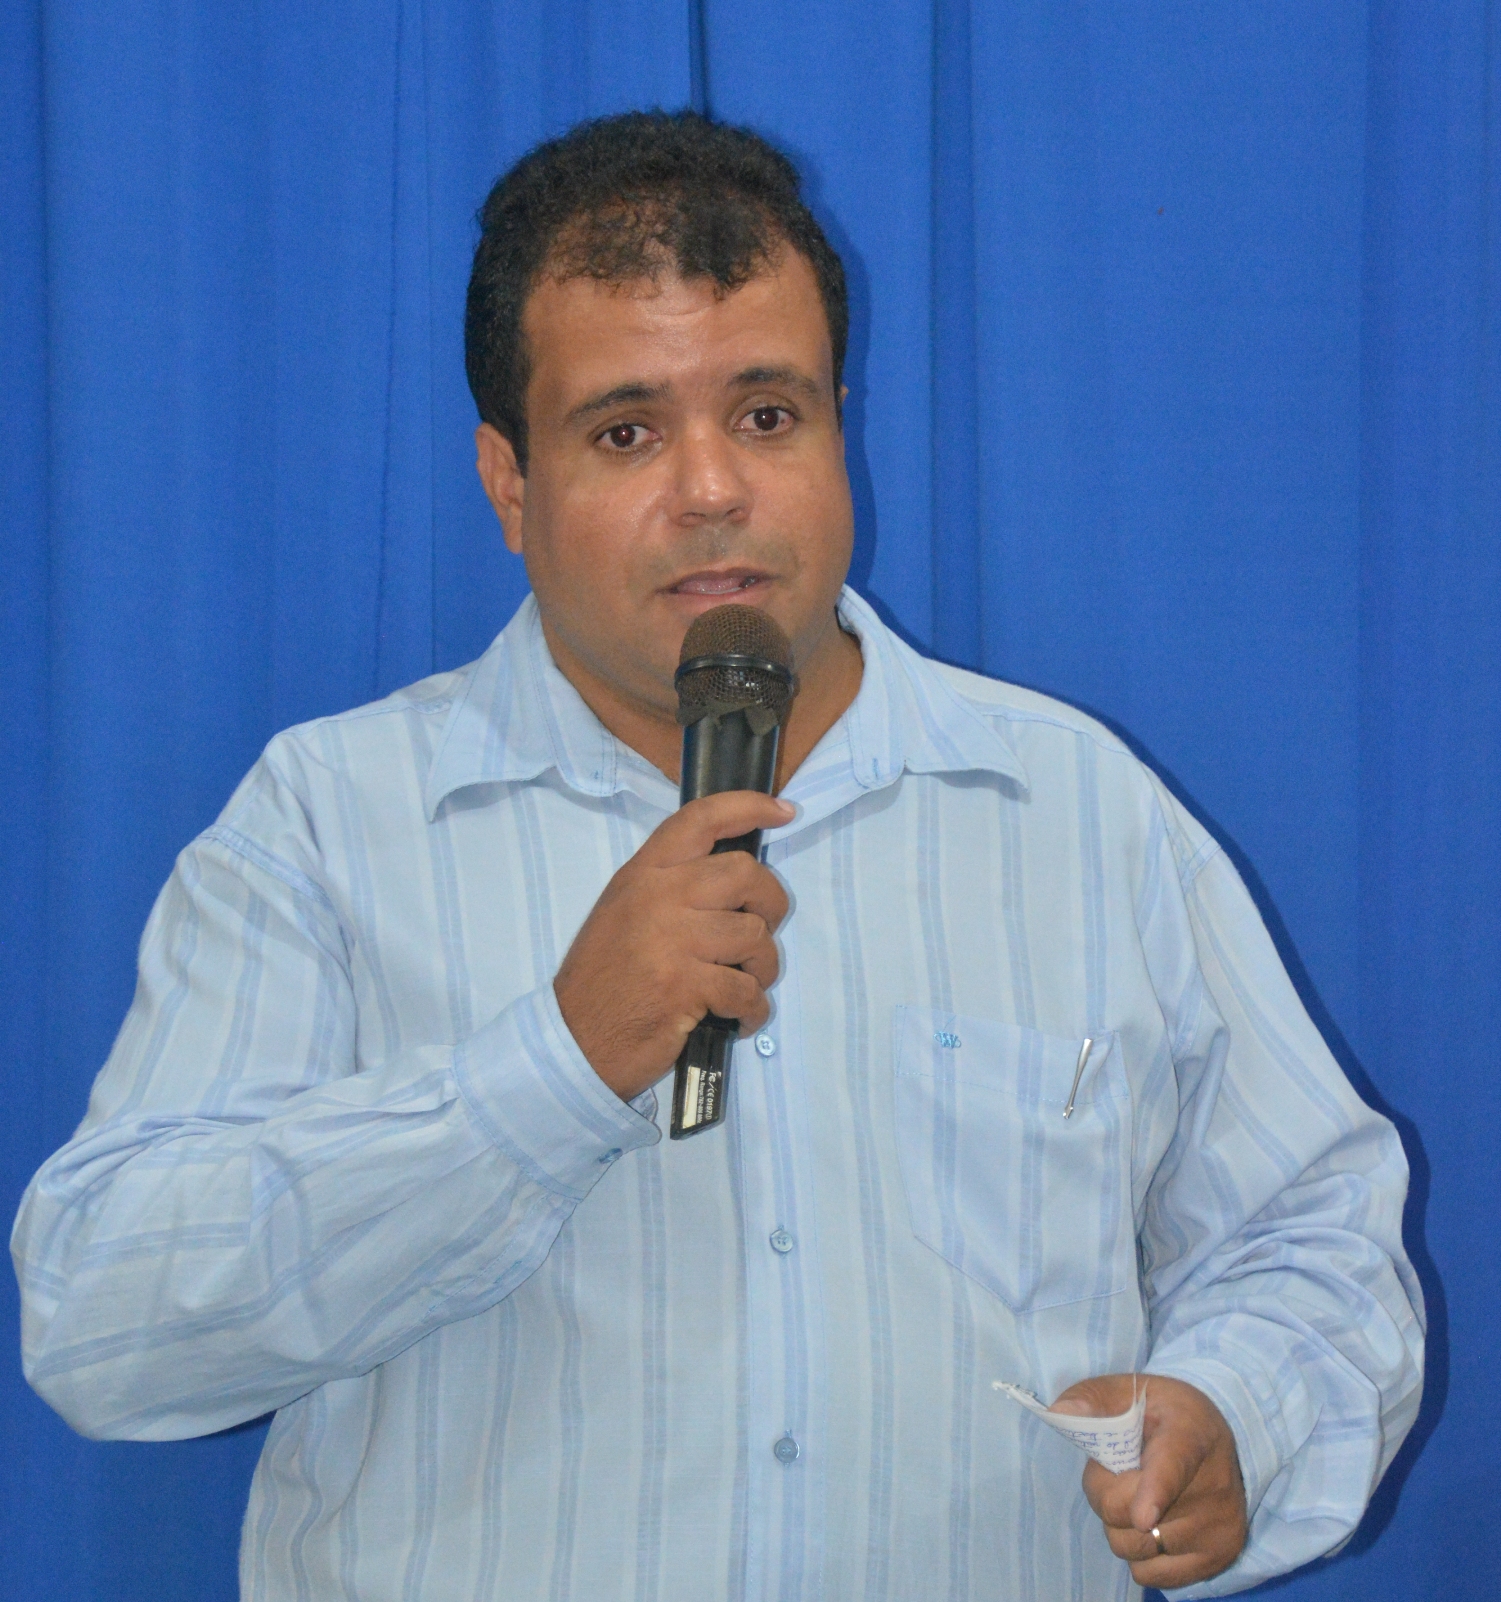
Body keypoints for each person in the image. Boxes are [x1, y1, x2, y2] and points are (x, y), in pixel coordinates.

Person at [12, 111, 1423, 1601]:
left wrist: (1232, 1409)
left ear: (837, 425)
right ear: (509, 483)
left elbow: (1311, 1233)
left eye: (765, 414)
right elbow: (103, 1325)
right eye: (626, 432)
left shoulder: (1074, 806)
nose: (710, 489)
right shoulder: (330, 819)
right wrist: (552, 1066)